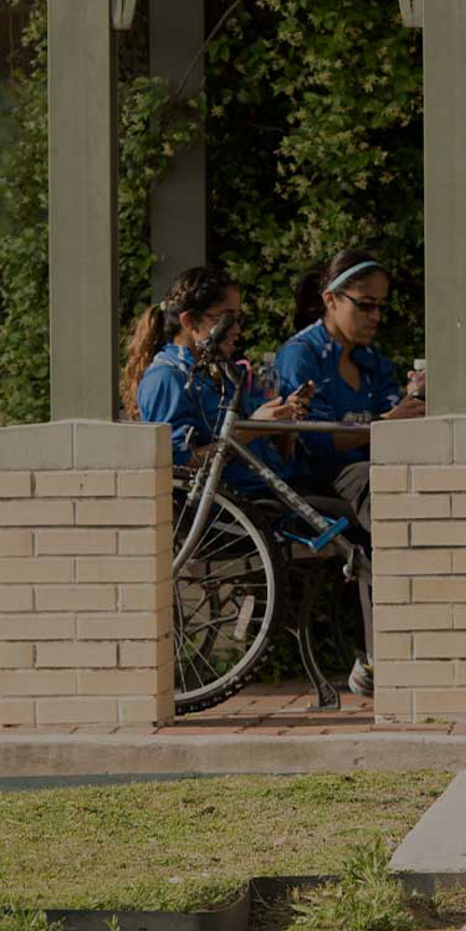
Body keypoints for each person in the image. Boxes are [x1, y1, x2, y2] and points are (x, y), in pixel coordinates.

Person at [276, 249, 427, 695]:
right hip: (317, 476)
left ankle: (396, 648)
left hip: (366, 469)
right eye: (365, 304)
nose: (375, 315)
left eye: (381, 306)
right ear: (331, 300)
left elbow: (389, 417)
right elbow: (316, 440)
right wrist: (386, 423)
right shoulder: (300, 354)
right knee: (386, 495)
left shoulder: (371, 359)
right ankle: (387, 650)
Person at [124, 266, 310, 495]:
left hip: (275, 489)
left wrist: (283, 426)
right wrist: (250, 430)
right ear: (189, 321)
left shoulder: (216, 368)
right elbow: (176, 467)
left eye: (237, 318)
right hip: (237, 509)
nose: (236, 329)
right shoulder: (166, 378)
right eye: (225, 319)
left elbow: (267, 452)